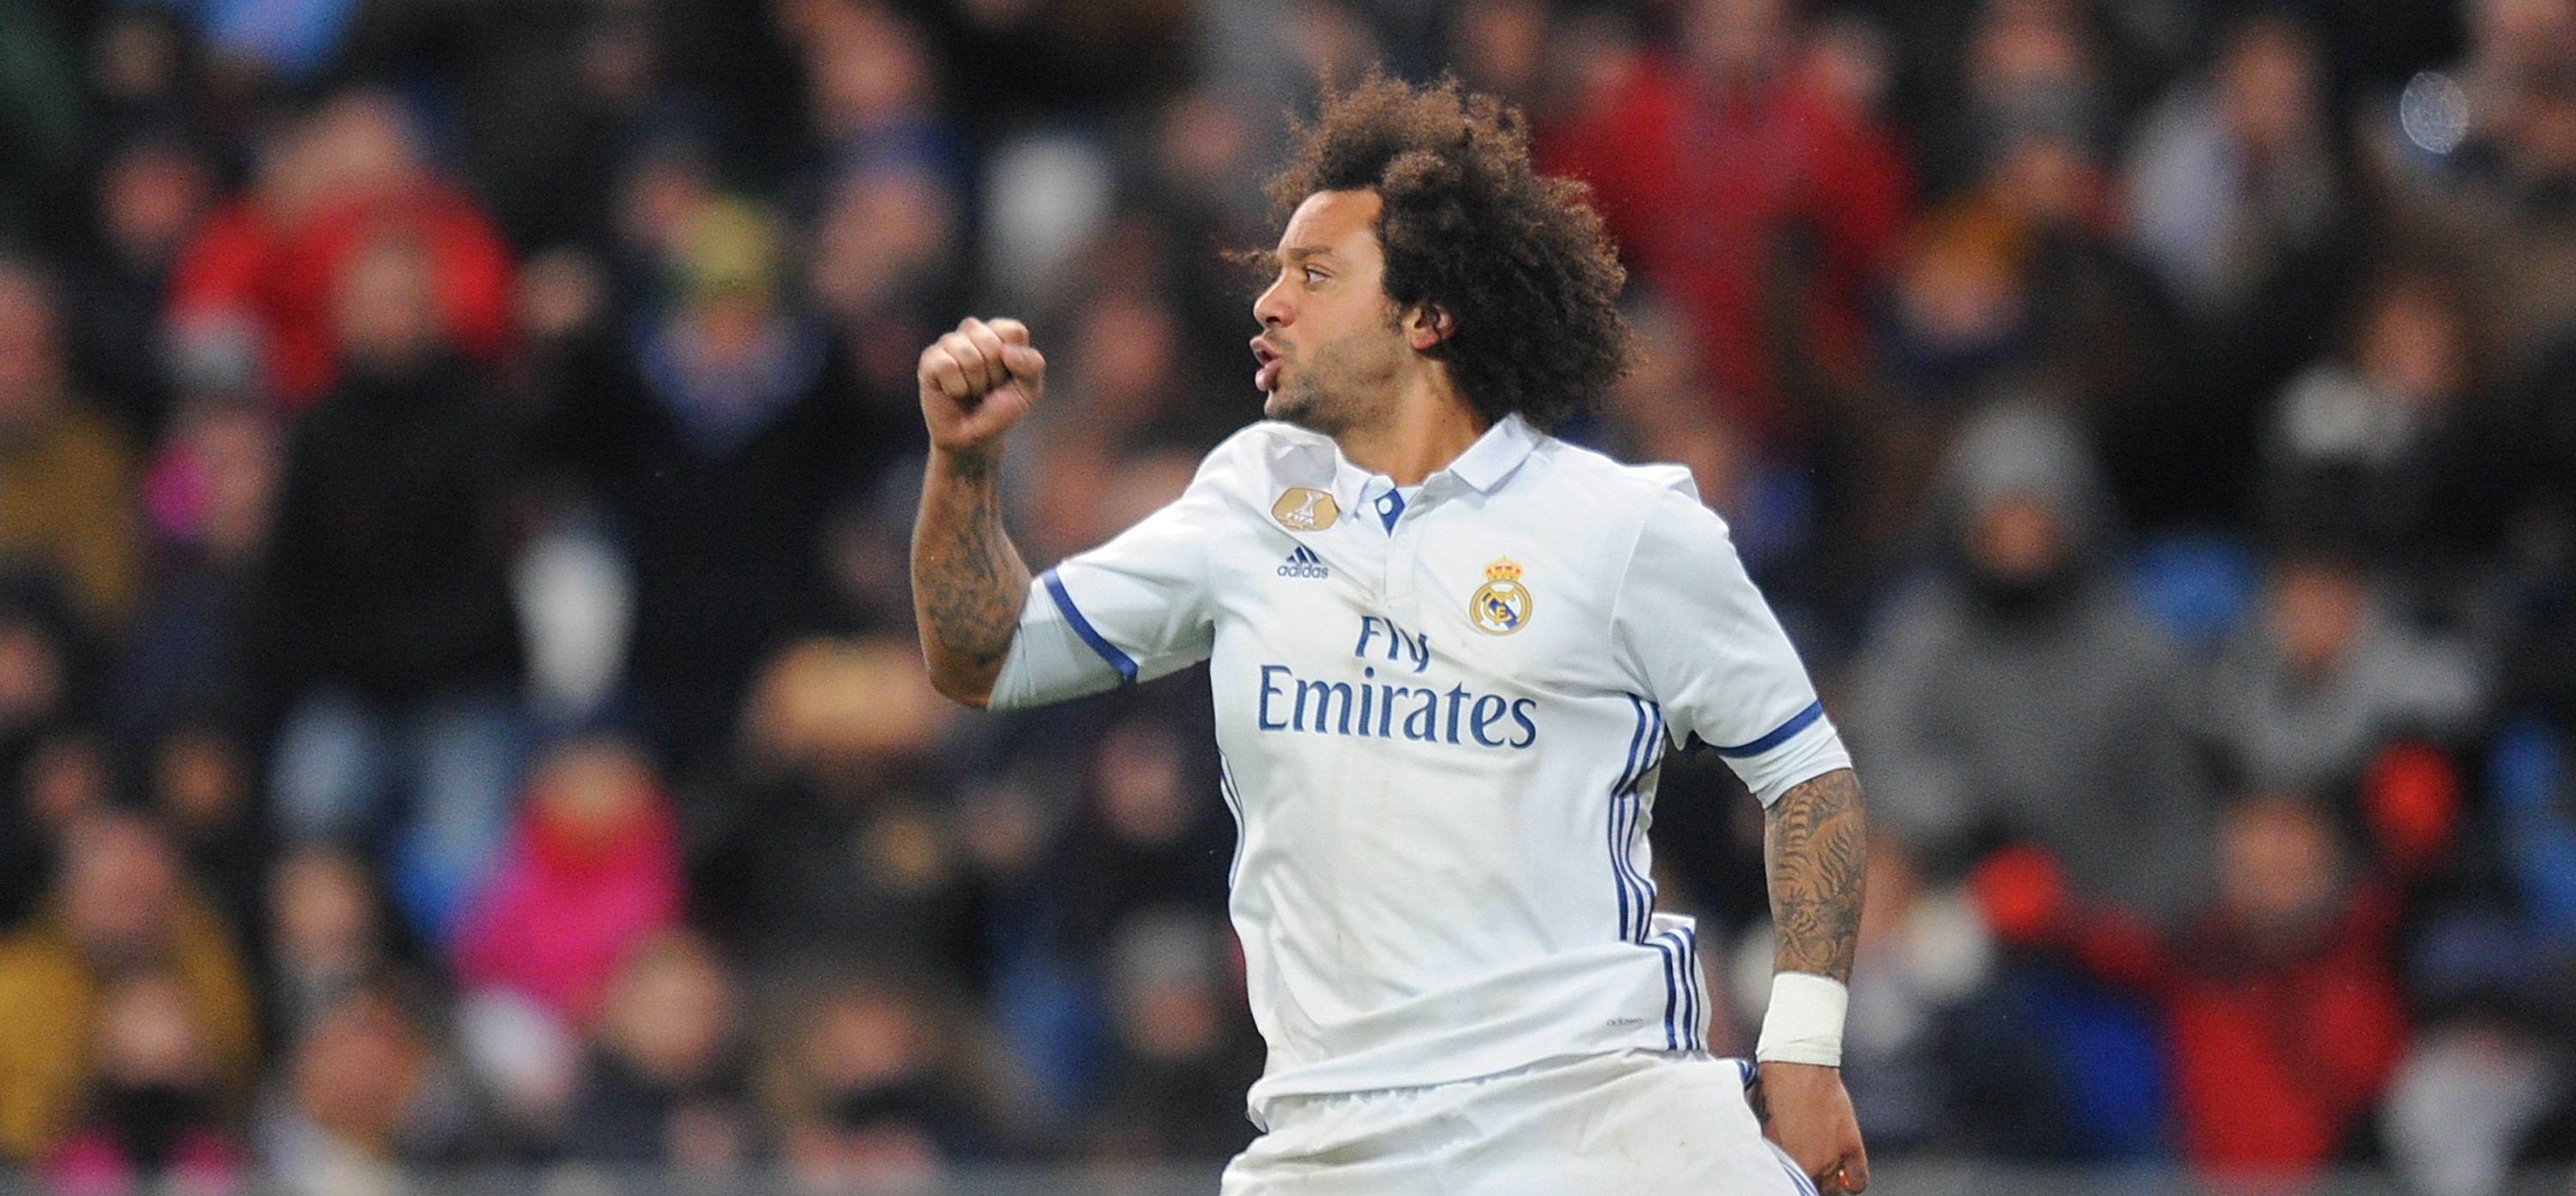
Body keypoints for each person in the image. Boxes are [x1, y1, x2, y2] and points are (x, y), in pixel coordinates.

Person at [908, 74, 1871, 1194]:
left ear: (1429, 315)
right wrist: (965, 467)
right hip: (1335, 1148)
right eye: (1272, 273)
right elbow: (988, 654)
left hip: (1599, 1124)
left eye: (1312, 274)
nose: (1268, 302)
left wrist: (1802, 1050)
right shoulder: (1250, 498)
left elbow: (1808, 775)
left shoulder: (1625, 528)